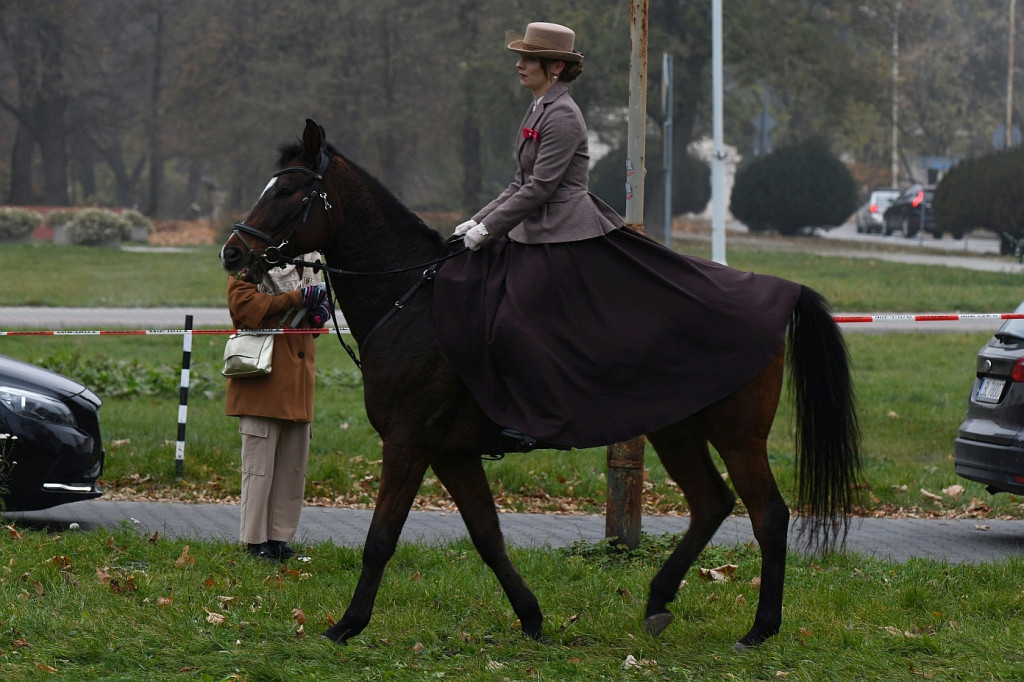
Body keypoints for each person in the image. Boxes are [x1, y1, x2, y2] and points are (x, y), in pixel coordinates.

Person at [432, 22, 803, 449]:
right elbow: (518, 182)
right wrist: (476, 222)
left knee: (517, 319)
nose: (519, 65)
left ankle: (538, 418)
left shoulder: (564, 115)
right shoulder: (536, 109)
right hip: (533, 232)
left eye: (528, 58)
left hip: (564, 236)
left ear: (554, 67)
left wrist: (489, 228)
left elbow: (541, 187)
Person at [225, 256, 329, 561]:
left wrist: (318, 312)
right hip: (263, 383)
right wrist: (295, 299)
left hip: (298, 386)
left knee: (292, 469)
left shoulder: (312, 263)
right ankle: (254, 541)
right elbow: (242, 307)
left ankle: (279, 539)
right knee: (259, 471)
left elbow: (310, 327)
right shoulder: (252, 260)